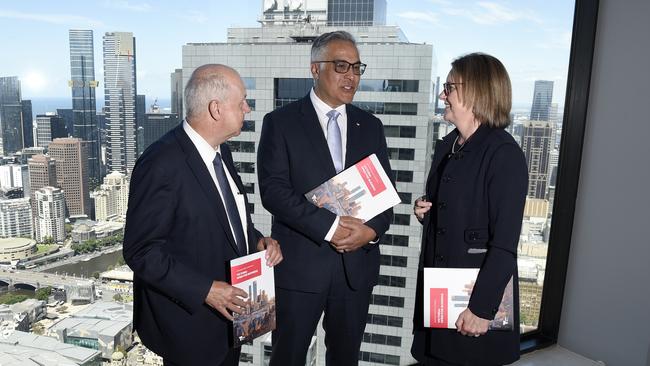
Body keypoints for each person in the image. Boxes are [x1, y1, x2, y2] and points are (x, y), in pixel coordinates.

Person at [123, 64, 282, 366]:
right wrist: (206, 290)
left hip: (229, 324)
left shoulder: (222, 151)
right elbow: (140, 251)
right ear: (216, 109)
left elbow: (225, 220)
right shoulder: (161, 163)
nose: (247, 108)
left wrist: (257, 241)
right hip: (189, 330)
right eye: (242, 102)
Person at [257, 30, 393, 366]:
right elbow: (273, 193)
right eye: (342, 66)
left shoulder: (371, 126)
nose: (351, 76)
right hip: (299, 270)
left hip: (355, 271)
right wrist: (331, 227)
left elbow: (385, 195)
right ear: (315, 69)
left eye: (357, 68)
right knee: (288, 358)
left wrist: (371, 232)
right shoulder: (280, 123)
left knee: (345, 359)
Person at [410, 53, 528, 366]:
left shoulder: (504, 154)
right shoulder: (448, 145)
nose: (442, 95)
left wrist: (481, 309)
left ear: (476, 91)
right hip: (438, 301)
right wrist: (426, 212)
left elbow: (504, 244)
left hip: (473, 307)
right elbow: (458, 212)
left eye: (449, 87)